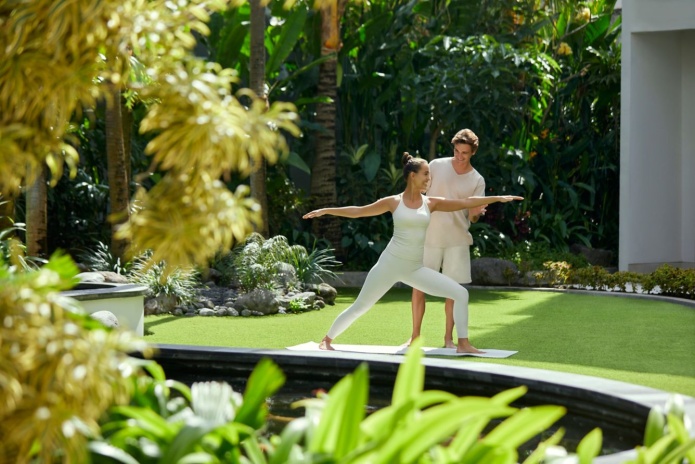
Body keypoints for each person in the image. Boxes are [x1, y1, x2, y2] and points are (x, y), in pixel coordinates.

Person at [302, 153, 522, 353]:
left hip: (414, 269)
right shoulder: (394, 202)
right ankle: (326, 340)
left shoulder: (431, 203)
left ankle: (463, 343)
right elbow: (359, 211)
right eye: (426, 174)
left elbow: (465, 202)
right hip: (389, 265)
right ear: (412, 175)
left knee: (461, 293)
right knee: (361, 306)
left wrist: (497, 198)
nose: (429, 179)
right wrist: (326, 210)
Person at [410, 129, 486, 349]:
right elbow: (419, 192)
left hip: (457, 240)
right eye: (456, 151)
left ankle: (448, 339)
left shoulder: (477, 180)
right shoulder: (435, 166)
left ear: (473, 152)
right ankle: (414, 337)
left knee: (453, 293)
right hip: (429, 237)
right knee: (418, 287)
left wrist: (476, 212)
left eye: (464, 153)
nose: (459, 156)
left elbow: (472, 217)